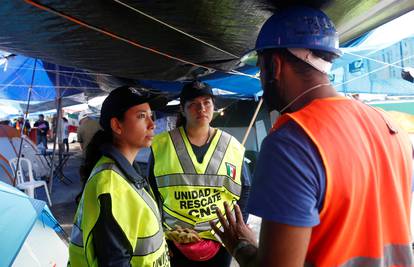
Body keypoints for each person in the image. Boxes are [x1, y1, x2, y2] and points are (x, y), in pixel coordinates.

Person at [211, 6, 414, 267]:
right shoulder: (389, 125)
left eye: (261, 69)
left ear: (275, 65)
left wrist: (241, 245)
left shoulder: (292, 141)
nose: (261, 79)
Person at [149, 81, 251, 267]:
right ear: (182, 109)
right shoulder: (161, 145)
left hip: (221, 239)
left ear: (214, 106)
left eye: (207, 103)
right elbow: (151, 195)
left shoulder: (232, 146)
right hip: (176, 239)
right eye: (193, 104)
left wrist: (238, 231)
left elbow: (245, 189)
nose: (201, 109)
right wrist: (158, 237)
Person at [68, 86, 170, 267]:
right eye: (141, 116)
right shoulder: (109, 185)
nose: (152, 124)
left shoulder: (128, 170)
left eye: (150, 115)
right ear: (117, 125)